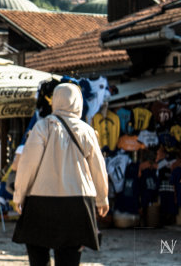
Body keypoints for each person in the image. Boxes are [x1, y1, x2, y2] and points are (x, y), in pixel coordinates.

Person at [12, 83, 109, 266]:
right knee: (70, 258)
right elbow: (98, 168)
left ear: (55, 101)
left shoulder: (42, 128)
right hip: (78, 202)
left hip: (42, 201)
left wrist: (19, 195)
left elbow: (28, 165)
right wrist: (102, 198)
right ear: (78, 103)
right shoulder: (86, 131)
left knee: (37, 252)